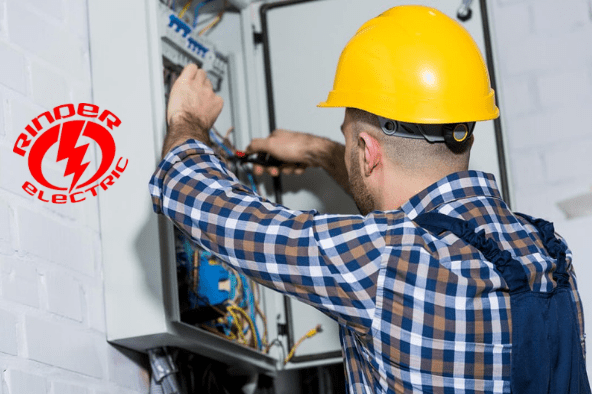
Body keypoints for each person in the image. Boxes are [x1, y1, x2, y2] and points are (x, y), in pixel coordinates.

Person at [150, 5, 591, 394]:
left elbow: (193, 196)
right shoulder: (547, 255)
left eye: (348, 142)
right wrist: (320, 152)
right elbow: (415, 213)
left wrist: (188, 116)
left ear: (367, 151)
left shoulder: (384, 262)